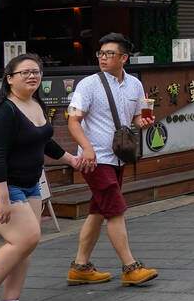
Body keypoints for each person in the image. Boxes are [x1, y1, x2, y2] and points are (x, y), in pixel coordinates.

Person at [0, 53, 89, 301]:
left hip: (31, 184)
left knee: (25, 246)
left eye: (36, 71)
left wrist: (71, 160)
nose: (32, 76)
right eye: (25, 72)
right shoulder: (2, 112)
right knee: (25, 239)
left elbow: (44, 141)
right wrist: (2, 199)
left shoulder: (35, 104)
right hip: (2, 188)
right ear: (9, 79)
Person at [66, 33, 158, 286]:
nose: (103, 58)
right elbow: (73, 121)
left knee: (98, 210)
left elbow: (137, 118)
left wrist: (144, 121)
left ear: (124, 58)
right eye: (101, 53)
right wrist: (86, 148)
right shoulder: (88, 85)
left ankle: (80, 267)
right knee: (115, 210)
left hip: (119, 157)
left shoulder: (135, 85)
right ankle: (130, 267)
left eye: (109, 54)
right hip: (95, 159)